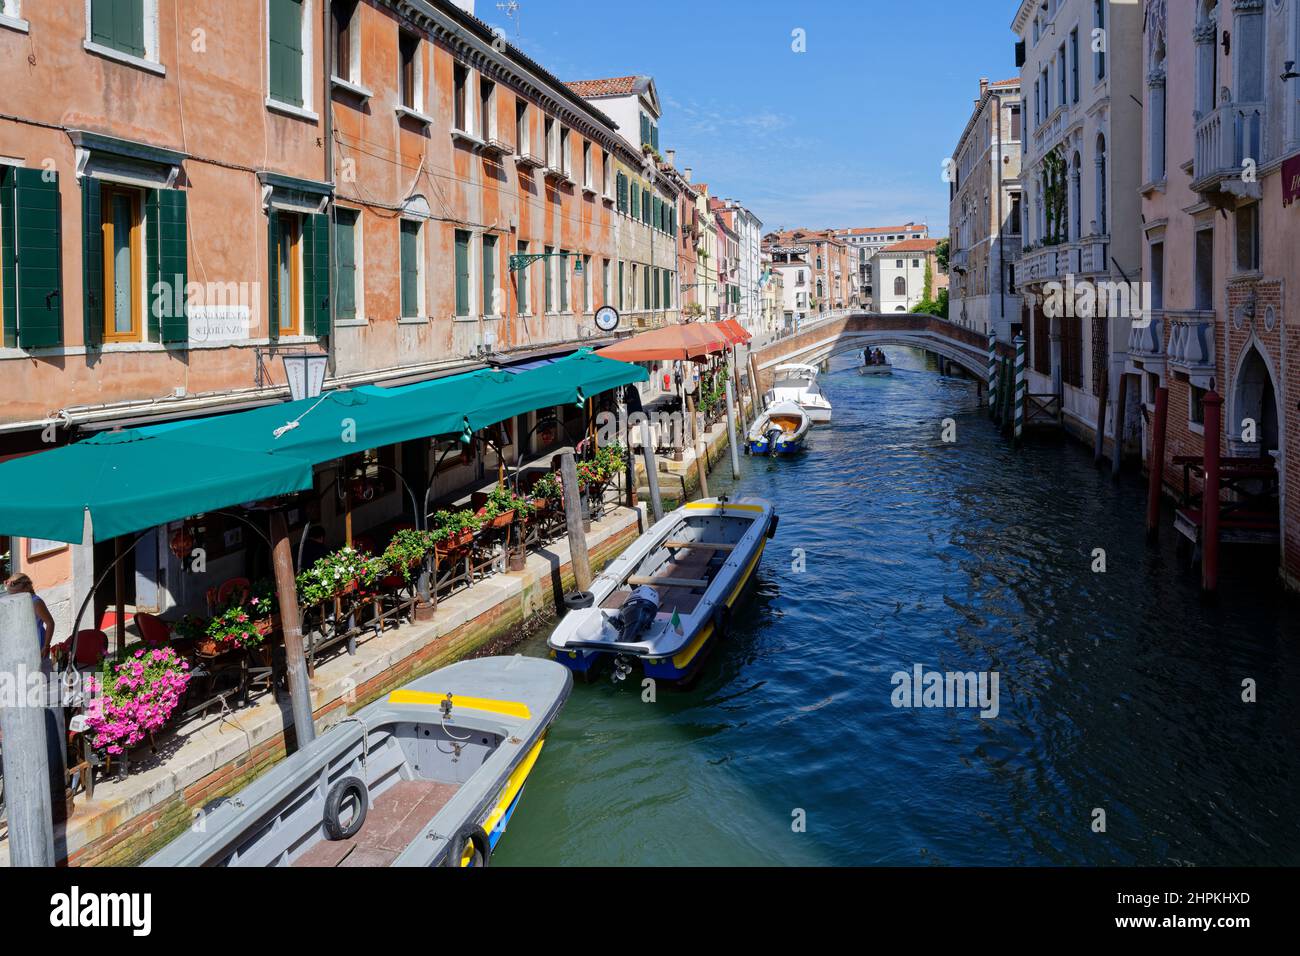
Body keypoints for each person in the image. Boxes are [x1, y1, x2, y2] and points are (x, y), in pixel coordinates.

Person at [5, 573, 56, 662]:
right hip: (21, 640)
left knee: (36, 669)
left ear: (26, 588)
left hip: (35, 639)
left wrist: (46, 645)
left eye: (17, 594)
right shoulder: (18, 600)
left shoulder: (36, 602)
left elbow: (50, 623)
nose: (15, 597)